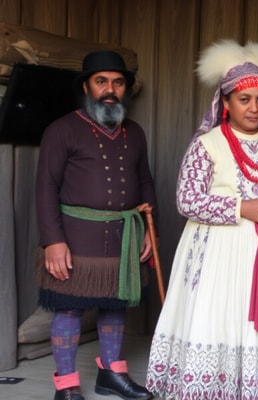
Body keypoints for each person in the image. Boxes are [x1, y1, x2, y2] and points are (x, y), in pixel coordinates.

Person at [145, 40, 258, 399]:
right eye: (244, 99)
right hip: (218, 257)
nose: (254, 108)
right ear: (225, 103)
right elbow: (187, 200)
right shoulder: (207, 144)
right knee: (220, 319)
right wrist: (243, 208)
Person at [35, 50, 156, 400]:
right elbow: (45, 188)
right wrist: (52, 242)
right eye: (101, 81)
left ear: (125, 90)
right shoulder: (62, 130)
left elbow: (145, 181)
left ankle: (111, 374)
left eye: (117, 83)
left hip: (123, 236)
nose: (110, 89)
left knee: (114, 305)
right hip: (74, 237)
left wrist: (152, 229)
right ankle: (67, 384)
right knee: (68, 307)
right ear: (87, 86)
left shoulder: (135, 132)